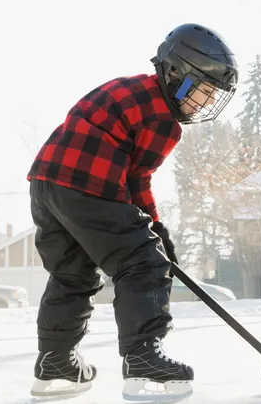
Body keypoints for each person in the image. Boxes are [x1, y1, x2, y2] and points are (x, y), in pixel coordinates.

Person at [25, 23, 238, 400]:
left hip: (46, 183)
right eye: (204, 91)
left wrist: (154, 229)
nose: (205, 103)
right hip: (87, 180)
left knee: (72, 274)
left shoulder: (131, 88)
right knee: (143, 262)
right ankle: (143, 359)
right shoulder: (163, 120)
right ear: (178, 74)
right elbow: (136, 180)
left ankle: (55, 362)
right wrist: (155, 237)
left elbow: (119, 167)